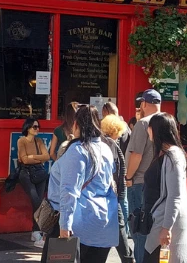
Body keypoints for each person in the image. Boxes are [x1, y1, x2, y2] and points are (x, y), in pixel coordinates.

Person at [42, 105, 118, 263]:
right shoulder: (105, 149)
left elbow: (69, 191)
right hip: (103, 222)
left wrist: (64, 225)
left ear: (76, 125)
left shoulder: (77, 150)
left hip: (77, 223)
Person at [144, 113, 187, 263]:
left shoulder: (173, 156)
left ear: (156, 130)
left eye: (149, 127)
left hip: (164, 222)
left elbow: (175, 195)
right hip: (158, 219)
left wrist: (166, 227)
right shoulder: (164, 154)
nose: (147, 131)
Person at [126, 89, 161, 263]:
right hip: (160, 185)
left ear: (144, 104)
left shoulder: (143, 124)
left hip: (140, 182)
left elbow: (136, 155)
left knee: (139, 231)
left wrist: (128, 178)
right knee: (154, 231)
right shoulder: (167, 122)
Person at [101, 115, 134, 263]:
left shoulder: (104, 142)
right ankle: (128, 258)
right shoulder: (111, 145)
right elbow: (114, 169)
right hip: (111, 193)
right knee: (119, 225)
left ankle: (127, 257)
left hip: (108, 194)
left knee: (115, 228)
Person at [16, 118, 50, 248]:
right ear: (28, 128)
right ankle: (37, 232)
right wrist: (36, 158)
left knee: (40, 202)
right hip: (26, 174)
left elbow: (46, 157)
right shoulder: (22, 141)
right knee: (35, 200)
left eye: (38, 127)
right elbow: (24, 160)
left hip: (40, 174)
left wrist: (32, 157)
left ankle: (35, 231)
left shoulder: (39, 141)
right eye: (34, 127)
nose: (37, 129)